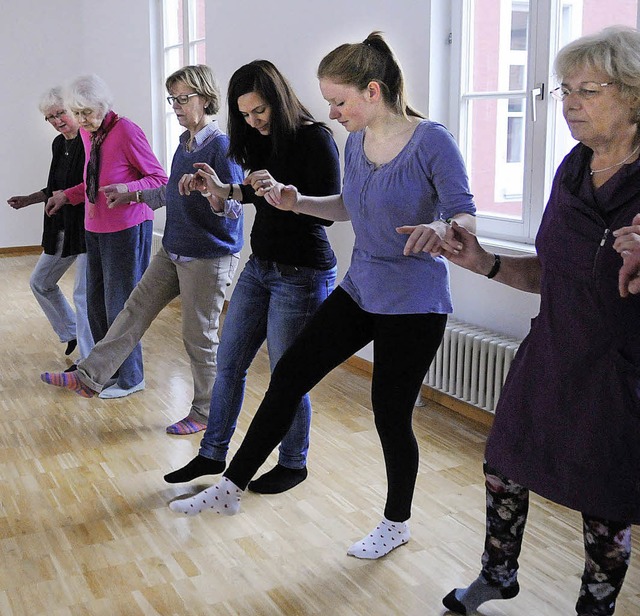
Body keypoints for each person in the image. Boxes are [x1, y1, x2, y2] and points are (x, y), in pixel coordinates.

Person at [168, 32, 476, 561]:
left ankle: (395, 522)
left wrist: (443, 225)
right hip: (361, 289)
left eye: (338, 101)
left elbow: (465, 212)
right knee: (288, 375)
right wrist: (294, 201)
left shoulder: (432, 141)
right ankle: (231, 487)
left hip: (414, 302)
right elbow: (346, 208)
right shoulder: (358, 141)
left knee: (390, 414)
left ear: (372, 91)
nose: (332, 113)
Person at [440, 26, 640, 616]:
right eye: (565, 89)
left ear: (632, 94)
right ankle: (497, 575)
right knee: (505, 465)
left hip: (618, 368)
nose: (570, 102)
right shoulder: (573, 168)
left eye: (588, 89)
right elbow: (552, 270)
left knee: (606, 503)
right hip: (552, 348)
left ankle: (595, 609)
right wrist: (484, 261)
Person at [163, 59, 339, 490]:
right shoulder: (258, 139)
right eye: (243, 114)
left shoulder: (316, 139)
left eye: (259, 111)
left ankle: (294, 462)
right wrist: (223, 191)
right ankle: (211, 455)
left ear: (278, 99)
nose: (253, 121)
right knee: (229, 362)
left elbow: (332, 214)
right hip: (260, 267)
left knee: (287, 377)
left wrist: (288, 199)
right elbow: (255, 193)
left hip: (303, 273)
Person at [40, 65, 244, 435]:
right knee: (131, 311)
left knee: (198, 338)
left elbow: (233, 207)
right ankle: (90, 376)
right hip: (174, 247)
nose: (177, 106)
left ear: (205, 98)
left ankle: (205, 412)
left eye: (184, 98)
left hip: (208, 254)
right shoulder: (185, 143)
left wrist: (212, 194)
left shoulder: (223, 146)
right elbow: (168, 192)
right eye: (173, 99)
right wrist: (131, 193)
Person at [44, 74, 168, 398]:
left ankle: (131, 378)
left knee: (121, 306)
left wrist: (129, 189)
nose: (82, 121)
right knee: (96, 306)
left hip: (127, 226)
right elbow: (92, 181)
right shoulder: (89, 135)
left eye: (87, 113)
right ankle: (106, 374)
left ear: (103, 105)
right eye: (78, 114)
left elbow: (159, 179)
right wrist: (67, 196)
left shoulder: (126, 130)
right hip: (95, 226)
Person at [7, 87, 93, 362]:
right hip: (61, 227)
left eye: (60, 113)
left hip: (87, 228)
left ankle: (89, 362)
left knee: (83, 296)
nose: (57, 121)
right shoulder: (59, 144)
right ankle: (70, 332)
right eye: (50, 117)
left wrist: (66, 196)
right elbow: (54, 187)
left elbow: (91, 185)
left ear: (74, 110)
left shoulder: (89, 141)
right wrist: (29, 199)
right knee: (41, 282)